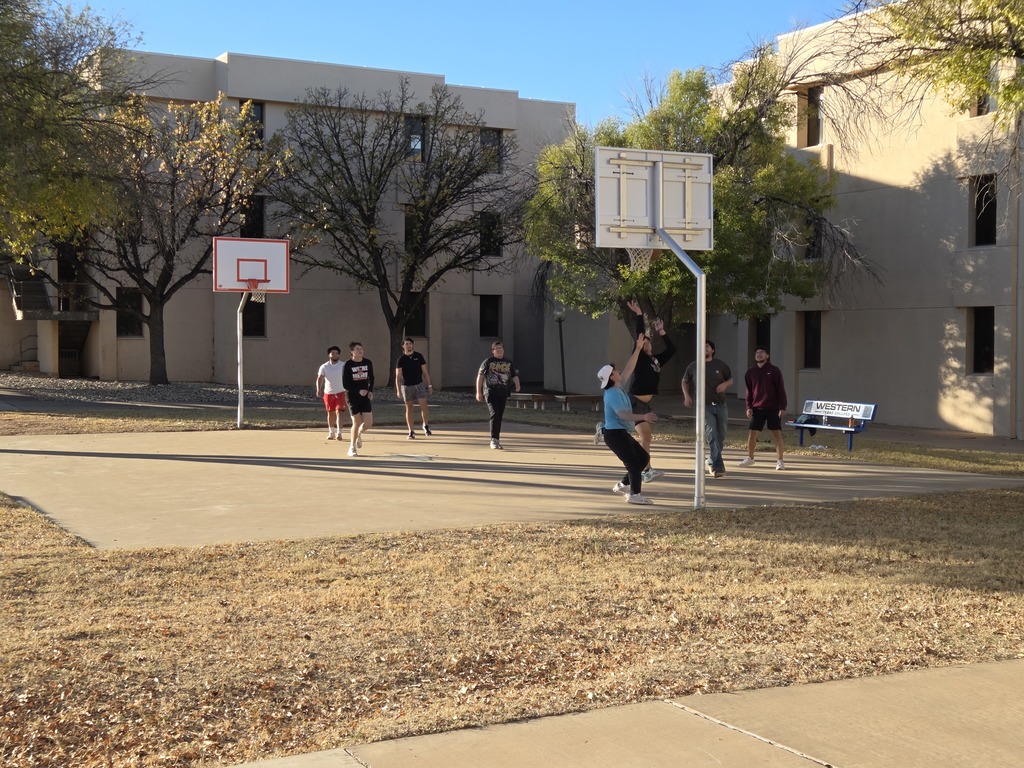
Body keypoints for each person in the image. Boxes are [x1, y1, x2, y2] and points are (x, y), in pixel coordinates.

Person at [597, 333, 659, 505]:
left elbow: (629, 368)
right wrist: (644, 416)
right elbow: (623, 414)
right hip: (614, 435)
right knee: (633, 463)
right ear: (611, 377)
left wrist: (638, 348)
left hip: (620, 433)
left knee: (643, 458)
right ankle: (635, 495)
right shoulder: (612, 394)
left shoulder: (618, 386)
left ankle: (623, 485)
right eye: (615, 371)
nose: (619, 371)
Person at [625, 300, 676, 483]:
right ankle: (646, 470)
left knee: (646, 437)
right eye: (643, 341)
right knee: (646, 436)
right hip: (635, 402)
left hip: (646, 404)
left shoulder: (655, 360)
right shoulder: (639, 358)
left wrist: (662, 332)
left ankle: (645, 469)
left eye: (648, 341)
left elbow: (672, 349)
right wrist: (639, 314)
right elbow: (640, 334)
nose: (646, 342)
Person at [682, 340, 733, 478]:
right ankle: (718, 466)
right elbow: (685, 381)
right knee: (712, 433)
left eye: (707, 346)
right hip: (704, 406)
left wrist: (725, 385)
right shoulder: (693, 366)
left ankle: (711, 459)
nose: (704, 348)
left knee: (721, 435)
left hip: (721, 405)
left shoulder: (720, 365)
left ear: (712, 350)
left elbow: (730, 379)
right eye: (702, 346)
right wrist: (687, 396)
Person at [739, 345, 788, 470]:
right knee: (752, 433)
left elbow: (781, 390)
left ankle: (780, 461)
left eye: (761, 352)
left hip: (773, 408)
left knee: (776, 433)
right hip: (757, 408)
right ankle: (750, 458)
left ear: (767, 356)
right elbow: (749, 392)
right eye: (757, 353)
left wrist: (782, 407)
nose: (758, 354)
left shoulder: (774, 370)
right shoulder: (750, 372)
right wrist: (748, 407)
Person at [476, 339, 520, 449]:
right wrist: (478, 392)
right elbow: (480, 376)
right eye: (497, 348)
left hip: (503, 392)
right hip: (491, 392)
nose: (500, 350)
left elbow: (514, 375)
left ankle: (497, 439)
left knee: (499, 416)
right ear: (493, 351)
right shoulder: (488, 362)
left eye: (501, 348)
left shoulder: (508, 362)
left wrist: (517, 385)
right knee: (495, 414)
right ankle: (494, 440)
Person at [395, 337, 433, 439]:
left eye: (410, 343)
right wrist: (398, 390)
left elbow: (425, 372)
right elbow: (398, 376)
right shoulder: (401, 360)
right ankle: (411, 431)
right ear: (403, 346)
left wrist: (429, 385)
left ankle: (425, 425)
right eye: (406, 344)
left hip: (419, 385)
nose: (408, 345)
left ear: (413, 345)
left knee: (423, 405)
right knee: (409, 408)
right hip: (406, 386)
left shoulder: (418, 356)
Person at [342, 341, 374, 457]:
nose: (360, 351)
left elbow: (372, 378)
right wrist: (358, 391)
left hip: (365, 397)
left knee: (368, 423)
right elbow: (345, 384)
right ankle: (352, 447)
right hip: (352, 397)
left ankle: (359, 434)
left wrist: (370, 391)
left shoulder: (368, 362)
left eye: (361, 348)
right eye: (357, 349)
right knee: (356, 421)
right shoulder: (347, 365)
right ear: (351, 352)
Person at [315, 345, 348, 441]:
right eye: (332, 353)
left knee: (340, 412)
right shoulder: (324, 366)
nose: (334, 355)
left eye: (337, 353)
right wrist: (318, 389)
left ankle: (339, 433)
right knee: (330, 413)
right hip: (328, 393)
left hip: (341, 392)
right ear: (329, 355)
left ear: (339, 355)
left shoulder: (343, 365)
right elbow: (319, 378)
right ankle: (331, 432)